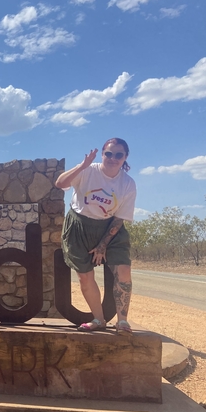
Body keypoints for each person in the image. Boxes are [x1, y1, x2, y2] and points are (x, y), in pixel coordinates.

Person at [55, 138, 136, 335]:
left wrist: (102, 245)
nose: (112, 158)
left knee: (123, 271)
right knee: (85, 277)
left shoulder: (127, 183)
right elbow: (60, 183)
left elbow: (119, 219)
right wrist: (82, 166)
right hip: (79, 225)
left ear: (125, 157)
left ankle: (122, 321)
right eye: (108, 153)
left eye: (118, 155)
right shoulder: (88, 170)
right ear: (102, 154)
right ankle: (99, 319)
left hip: (110, 228)